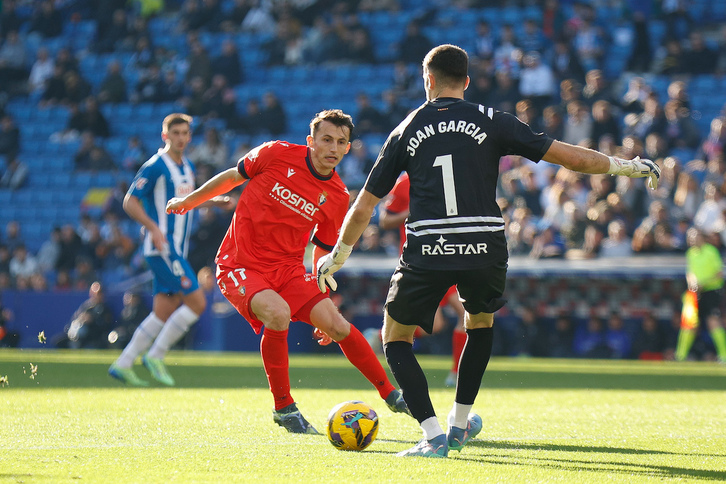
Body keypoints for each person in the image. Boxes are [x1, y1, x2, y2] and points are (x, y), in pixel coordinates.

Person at [316, 44, 660, 458]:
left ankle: (432, 435)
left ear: (427, 81)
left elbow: (365, 205)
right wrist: (628, 166)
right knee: (479, 325)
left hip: (430, 244)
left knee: (395, 338)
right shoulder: (492, 120)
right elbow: (569, 158)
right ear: (466, 81)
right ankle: (459, 425)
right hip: (485, 242)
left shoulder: (407, 128)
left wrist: (337, 256)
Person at [165, 109, 411, 434]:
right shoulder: (275, 154)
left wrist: (322, 294)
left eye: (341, 142)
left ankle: (392, 395)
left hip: (289, 270)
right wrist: (191, 201)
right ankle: (284, 408)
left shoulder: (337, 196)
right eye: (326, 140)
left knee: (338, 325)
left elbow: (323, 250)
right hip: (240, 264)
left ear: (349, 147)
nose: (333, 148)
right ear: (311, 141)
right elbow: (232, 177)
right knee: (277, 314)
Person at [109, 113, 233, 387]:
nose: (180, 138)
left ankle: (123, 362)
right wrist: (153, 228)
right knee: (198, 302)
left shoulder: (187, 166)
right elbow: (130, 201)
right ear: (165, 136)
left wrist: (212, 202)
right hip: (163, 246)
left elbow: (187, 202)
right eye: (174, 133)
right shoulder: (155, 166)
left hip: (175, 247)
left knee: (163, 311)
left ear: (189, 137)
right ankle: (156, 354)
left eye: (184, 133)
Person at [378, 172, 466, 388]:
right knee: (434, 325)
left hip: (448, 258)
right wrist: (410, 213)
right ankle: (383, 335)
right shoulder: (405, 182)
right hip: (419, 261)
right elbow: (384, 220)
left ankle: (457, 373)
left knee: (466, 314)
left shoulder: (453, 177)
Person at [675, 228, 726, 362]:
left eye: (694, 236)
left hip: (711, 291)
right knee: (689, 322)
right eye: (689, 237)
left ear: (702, 237)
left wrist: (703, 283)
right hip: (695, 292)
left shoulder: (711, 251)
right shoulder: (690, 253)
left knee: (713, 321)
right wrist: (692, 283)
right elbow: (690, 272)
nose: (692, 239)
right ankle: (680, 356)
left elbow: (719, 273)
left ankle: (724, 355)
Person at [53, 281, 114, 349]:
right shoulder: (86, 306)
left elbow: (105, 326)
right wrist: (81, 319)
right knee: (58, 341)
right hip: (79, 334)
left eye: (98, 293)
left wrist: (92, 320)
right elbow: (74, 319)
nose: (96, 296)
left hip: (93, 336)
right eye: (94, 293)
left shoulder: (105, 309)